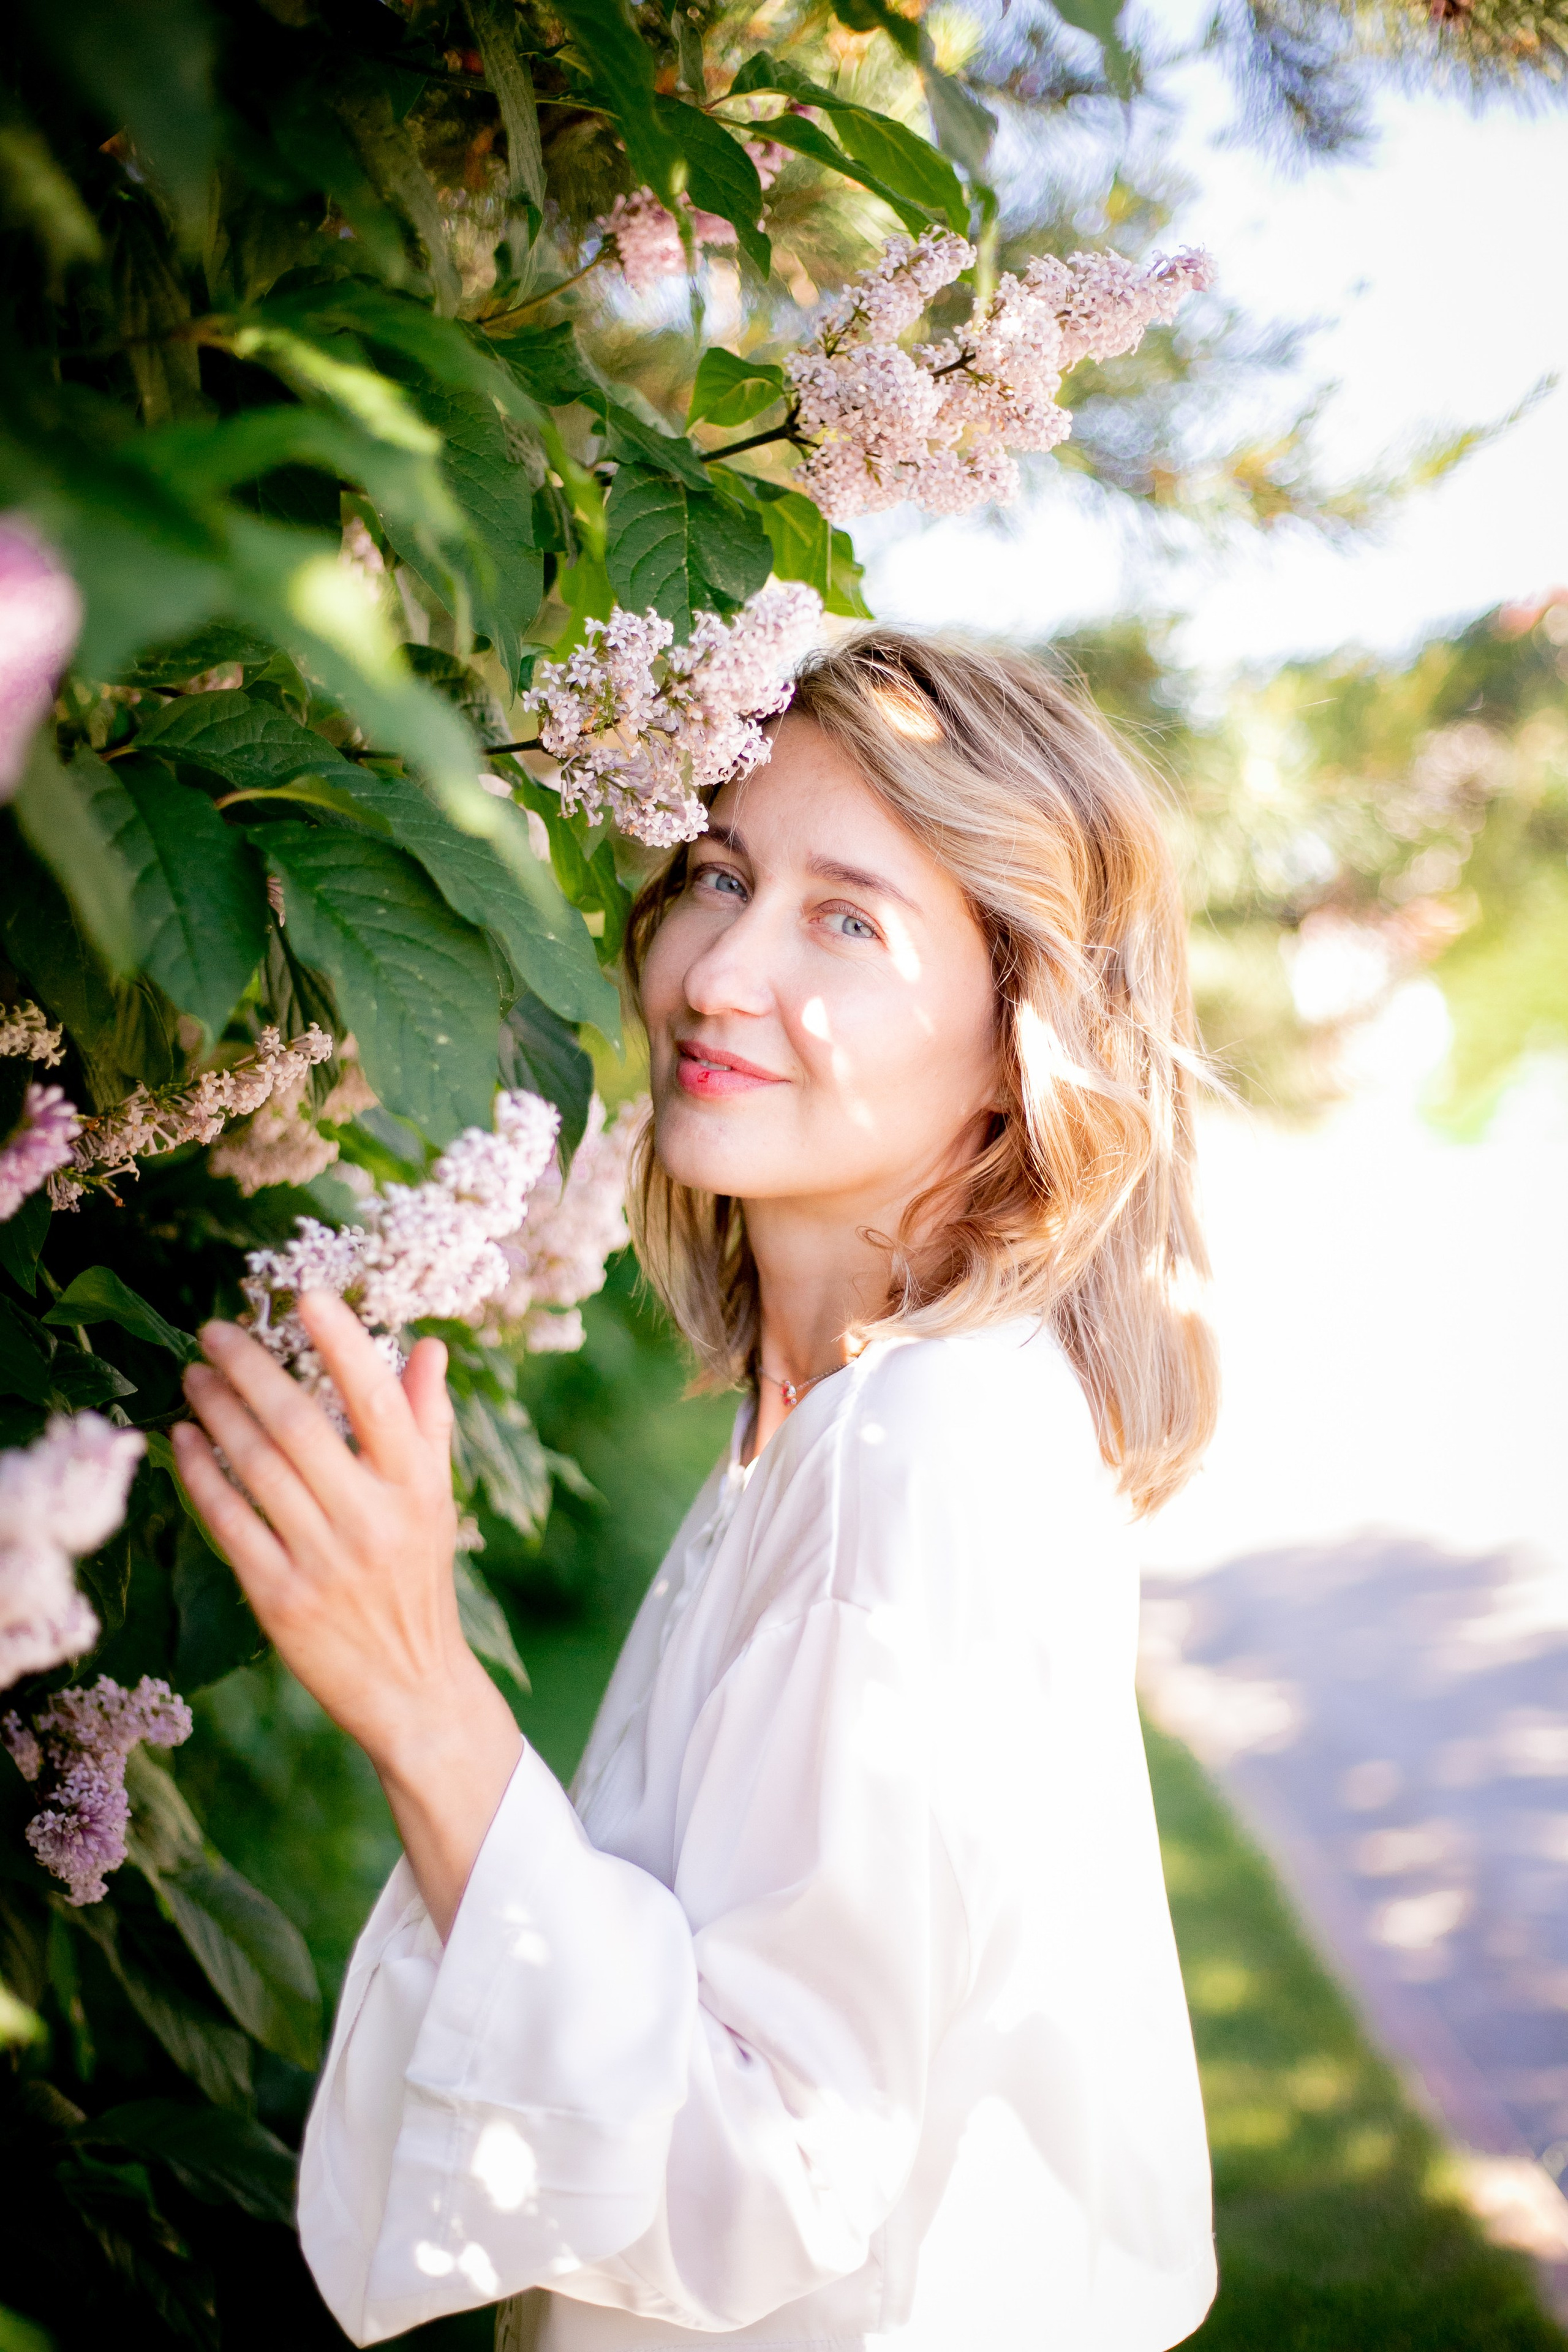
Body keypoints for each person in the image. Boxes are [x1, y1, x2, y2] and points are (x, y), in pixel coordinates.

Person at [173, 630, 1221, 2352]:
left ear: (1018, 1031)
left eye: (848, 918)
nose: (719, 973)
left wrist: (425, 1701)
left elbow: (773, 2170)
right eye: (718, 875)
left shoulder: (926, 1459)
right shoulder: (830, 1423)